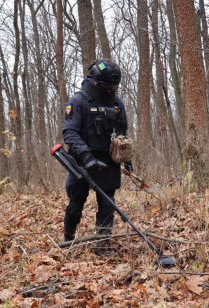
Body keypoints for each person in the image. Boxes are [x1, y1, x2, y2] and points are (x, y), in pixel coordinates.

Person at [62, 59, 133, 255]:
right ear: (95, 81)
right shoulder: (78, 102)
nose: (111, 90)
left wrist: (126, 158)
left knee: (108, 204)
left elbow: (122, 132)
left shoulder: (117, 104)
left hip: (109, 163)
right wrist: (87, 157)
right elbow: (70, 133)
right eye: (107, 86)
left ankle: (102, 243)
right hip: (82, 163)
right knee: (76, 204)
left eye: (114, 86)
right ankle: (68, 238)